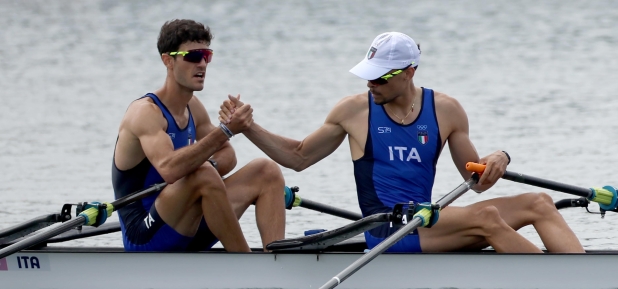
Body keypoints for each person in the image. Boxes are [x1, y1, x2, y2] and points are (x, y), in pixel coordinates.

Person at [219, 32, 585, 254]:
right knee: (488, 217)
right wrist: (248, 127)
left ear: (409, 72)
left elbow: (476, 182)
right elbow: (298, 157)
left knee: (538, 202)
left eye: (380, 79)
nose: (370, 85)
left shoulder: (446, 110)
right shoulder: (353, 111)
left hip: (427, 220)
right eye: (368, 77)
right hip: (388, 229)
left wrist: (500, 157)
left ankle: (587, 279)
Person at [112, 19, 285, 253]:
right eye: (193, 56)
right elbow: (169, 170)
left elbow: (227, 155)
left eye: (206, 55)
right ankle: (247, 264)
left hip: (188, 222)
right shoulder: (146, 113)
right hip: (146, 235)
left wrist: (203, 168)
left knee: (266, 171)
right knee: (203, 173)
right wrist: (225, 132)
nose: (202, 64)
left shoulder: (193, 107)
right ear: (168, 60)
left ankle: (277, 260)